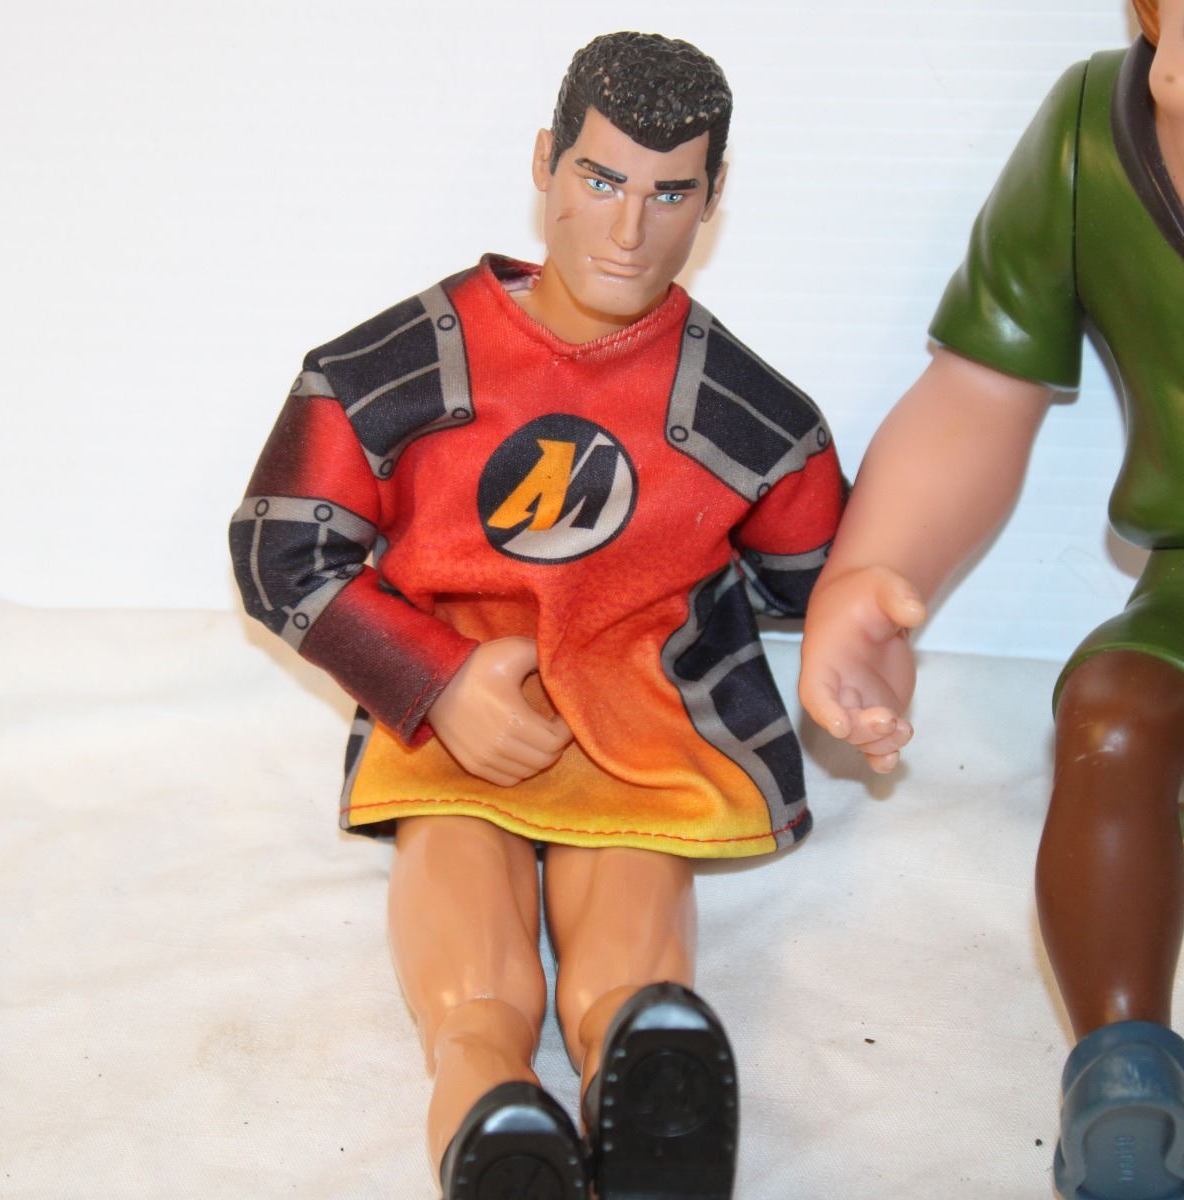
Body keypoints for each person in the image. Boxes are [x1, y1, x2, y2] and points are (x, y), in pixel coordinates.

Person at [231, 31, 845, 1200]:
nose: (629, 230)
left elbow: (815, 574)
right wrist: (433, 676)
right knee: (477, 979)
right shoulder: (399, 367)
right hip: (451, 738)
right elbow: (279, 547)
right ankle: (494, 1115)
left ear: (713, 196)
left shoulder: (743, 411)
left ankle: (650, 1086)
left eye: (670, 193)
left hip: (641, 737)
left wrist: (870, 622)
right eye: (601, 180)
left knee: (630, 970)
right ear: (544, 164)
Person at [797, 2, 1184, 1196]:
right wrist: (876, 571)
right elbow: (978, 391)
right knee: (1107, 713)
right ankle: (1125, 1080)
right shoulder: (1091, 135)